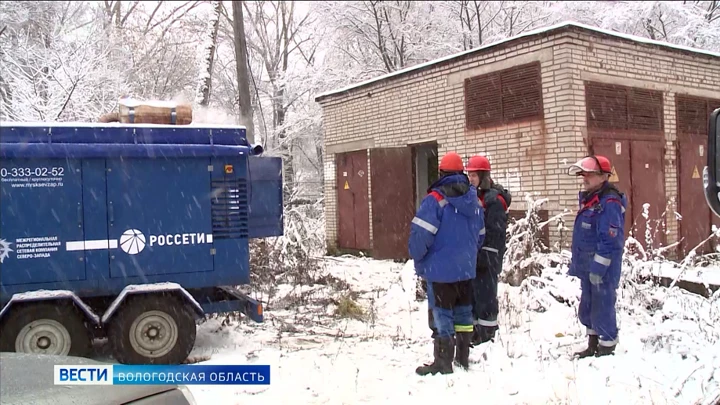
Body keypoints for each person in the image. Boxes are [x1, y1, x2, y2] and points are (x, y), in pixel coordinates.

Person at [410, 152, 485, 375]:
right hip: (466, 269)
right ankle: (462, 357)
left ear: (441, 173)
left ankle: (443, 362)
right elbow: (480, 235)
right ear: (461, 173)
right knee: (463, 314)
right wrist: (467, 256)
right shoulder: (473, 200)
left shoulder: (434, 200)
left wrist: (418, 257)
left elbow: (420, 236)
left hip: (440, 271)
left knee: (442, 316)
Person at [567, 155, 627, 358]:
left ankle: (607, 346)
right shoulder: (591, 199)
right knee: (589, 305)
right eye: (583, 173)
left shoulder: (609, 202)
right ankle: (592, 343)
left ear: (603, 177)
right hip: (588, 266)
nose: (584, 177)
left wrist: (599, 268)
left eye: (590, 174)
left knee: (603, 305)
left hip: (602, 268)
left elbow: (610, 239)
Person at [465, 155, 511, 346]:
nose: (470, 179)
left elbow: (496, 232)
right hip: (474, 255)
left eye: (474, 175)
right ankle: (476, 331)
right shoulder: (475, 196)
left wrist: (487, 254)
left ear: (483, 176)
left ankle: (487, 333)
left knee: (486, 295)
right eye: (469, 175)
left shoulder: (494, 200)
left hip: (488, 256)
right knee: (474, 295)